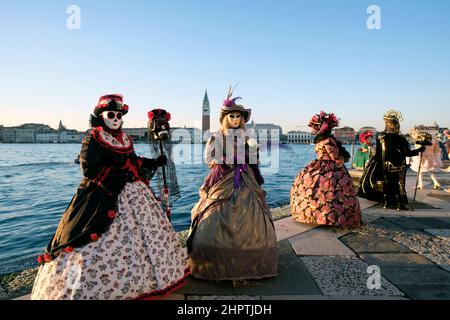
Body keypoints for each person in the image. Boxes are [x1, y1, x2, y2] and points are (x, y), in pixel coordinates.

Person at [31, 94, 189, 300]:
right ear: (101, 116)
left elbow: (133, 161)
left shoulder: (123, 138)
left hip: (134, 193)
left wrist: (153, 162)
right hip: (102, 193)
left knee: (145, 236)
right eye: (111, 114)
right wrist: (112, 178)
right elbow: (89, 167)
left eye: (118, 115)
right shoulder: (94, 137)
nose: (115, 118)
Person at [186, 87, 278, 281]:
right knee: (214, 212)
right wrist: (232, 157)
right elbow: (209, 159)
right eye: (232, 116)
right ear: (225, 118)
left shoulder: (246, 137)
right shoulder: (216, 137)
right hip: (224, 179)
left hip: (246, 179)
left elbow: (254, 160)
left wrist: (254, 152)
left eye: (238, 117)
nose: (235, 120)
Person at [290, 111, 362, 228]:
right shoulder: (328, 141)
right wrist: (342, 160)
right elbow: (334, 157)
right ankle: (333, 216)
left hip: (319, 165)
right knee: (334, 191)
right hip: (330, 168)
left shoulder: (319, 141)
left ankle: (311, 214)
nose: (313, 131)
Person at [358, 110, 425, 210]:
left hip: (384, 165)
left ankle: (387, 203)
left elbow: (378, 154)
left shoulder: (381, 137)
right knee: (399, 185)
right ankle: (399, 204)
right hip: (397, 166)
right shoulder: (400, 138)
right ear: (396, 125)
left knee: (386, 184)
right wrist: (419, 150)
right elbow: (406, 153)